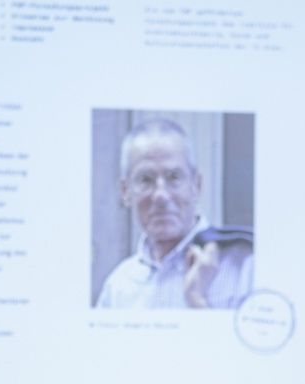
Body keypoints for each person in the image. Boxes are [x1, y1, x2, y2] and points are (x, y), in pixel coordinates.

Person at [95, 117, 254, 309]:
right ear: (125, 191)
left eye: (174, 177)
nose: (161, 195)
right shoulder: (118, 286)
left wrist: (197, 300)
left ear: (196, 185)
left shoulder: (245, 268)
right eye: (146, 179)